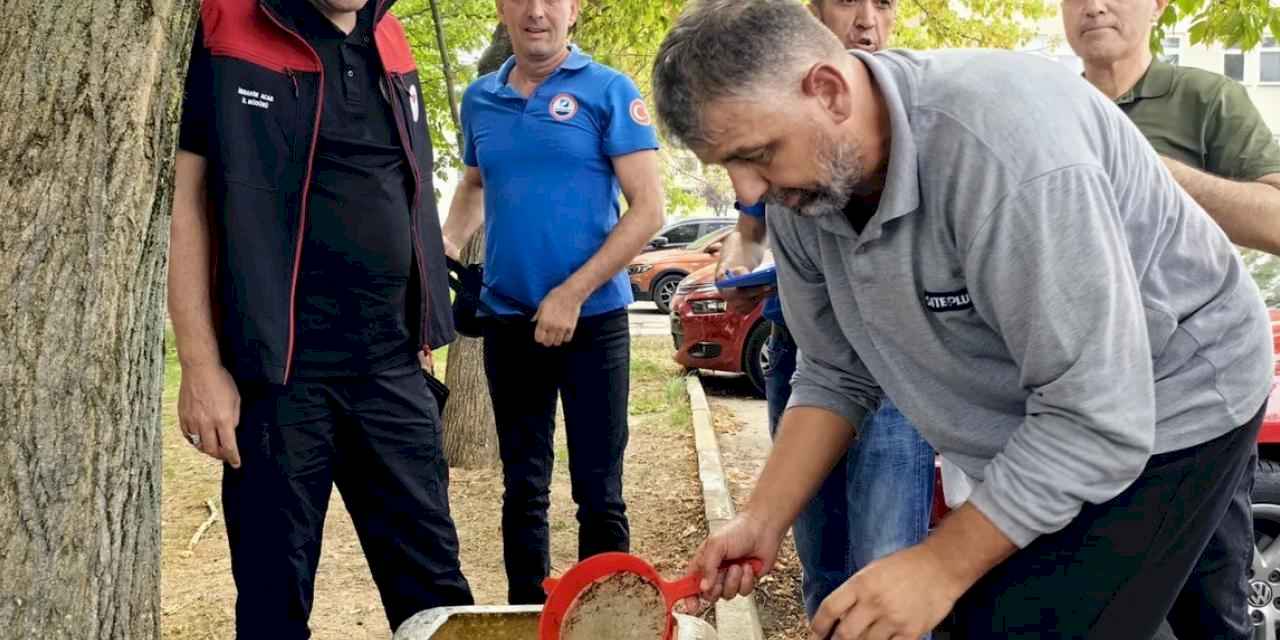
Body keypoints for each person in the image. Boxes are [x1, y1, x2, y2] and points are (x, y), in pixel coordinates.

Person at [652, 1, 1273, 638]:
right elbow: (837, 371)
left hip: (1174, 398)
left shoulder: (1007, 152)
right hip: (1053, 416)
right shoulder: (800, 189)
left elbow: (1096, 418)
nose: (749, 192)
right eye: (729, 164)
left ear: (829, 91)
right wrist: (761, 518)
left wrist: (940, 565)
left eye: (758, 154)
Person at [169, 0, 472, 636]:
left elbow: (403, 187)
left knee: (437, 599)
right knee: (272, 607)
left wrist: (422, 326)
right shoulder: (225, 27)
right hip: (277, 382)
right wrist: (200, 365)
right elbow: (186, 202)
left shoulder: (391, 37)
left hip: (392, 371)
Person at [714, 0, 934, 622]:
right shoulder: (774, 137)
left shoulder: (932, 131)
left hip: (898, 370)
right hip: (805, 350)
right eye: (846, 0)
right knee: (822, 553)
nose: (866, 18)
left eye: (883, 3)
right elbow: (750, 228)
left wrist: (945, 565)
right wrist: (760, 519)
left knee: (888, 555)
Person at [440, 0, 665, 605]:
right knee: (523, 490)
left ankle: (603, 620)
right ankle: (529, 614)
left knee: (599, 493)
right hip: (509, 323)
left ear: (574, 10)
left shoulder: (609, 90)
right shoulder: (480, 99)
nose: (536, 11)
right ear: (501, 9)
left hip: (593, 325)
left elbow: (649, 210)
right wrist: (442, 250)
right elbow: (475, 184)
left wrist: (572, 292)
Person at [1064, 0, 1280, 255]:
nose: (1094, 7)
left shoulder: (1209, 97)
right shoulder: (1049, 112)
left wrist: (1147, 170)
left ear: (1157, 6)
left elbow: (1274, 224)